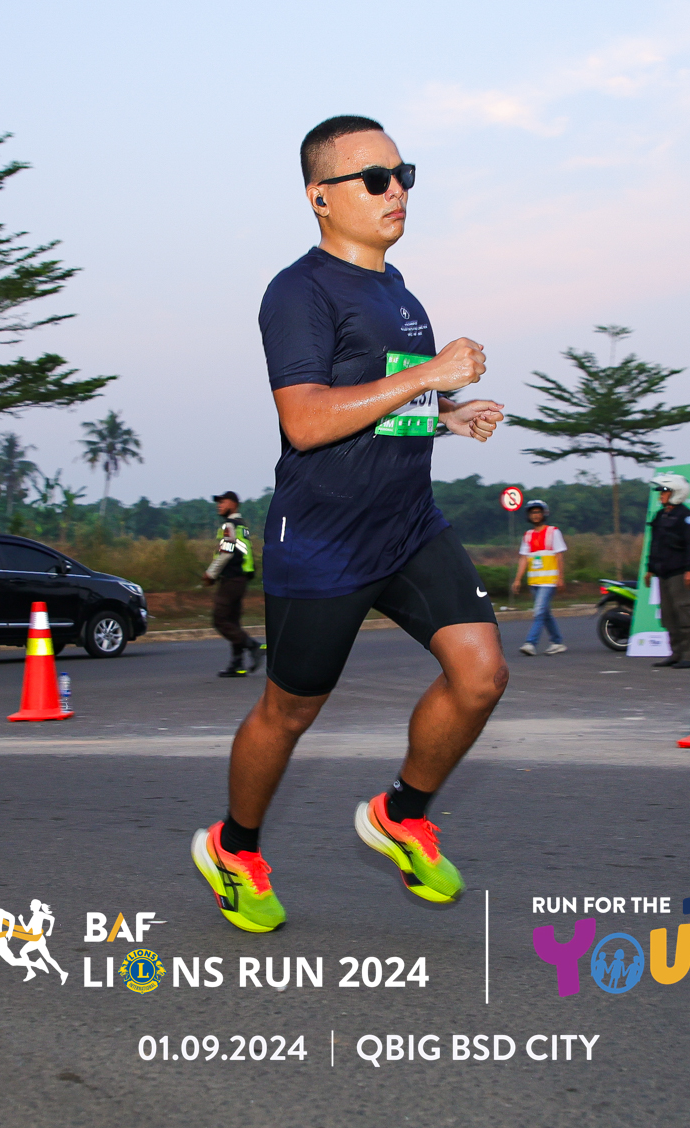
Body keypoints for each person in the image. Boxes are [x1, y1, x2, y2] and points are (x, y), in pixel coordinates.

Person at [190, 114, 508, 934]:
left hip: (408, 525)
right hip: (324, 542)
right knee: (289, 713)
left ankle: (402, 815)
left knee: (481, 675)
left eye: (404, 174)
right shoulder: (298, 292)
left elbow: (385, 410)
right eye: (374, 178)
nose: (395, 190)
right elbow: (306, 421)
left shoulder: (400, 294)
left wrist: (447, 416)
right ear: (321, 197)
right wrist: (433, 374)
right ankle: (235, 848)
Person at [202, 491, 264, 678]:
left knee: (220, 620)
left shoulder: (229, 525)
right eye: (218, 503)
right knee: (233, 621)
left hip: (231, 579)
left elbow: (226, 553)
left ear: (234, 504)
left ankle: (253, 646)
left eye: (223, 502)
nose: (219, 505)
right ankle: (237, 665)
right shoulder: (241, 525)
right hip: (241, 579)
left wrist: (211, 574)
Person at [646, 473, 690, 668]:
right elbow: (655, 544)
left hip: (679, 572)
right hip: (663, 572)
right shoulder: (661, 515)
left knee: (683, 612)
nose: (660, 495)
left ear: (677, 493)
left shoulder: (686, 517)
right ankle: (676, 653)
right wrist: (650, 569)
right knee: (668, 615)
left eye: (664, 491)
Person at [508, 500, 568, 656]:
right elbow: (524, 558)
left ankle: (530, 643)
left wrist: (561, 578)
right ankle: (557, 642)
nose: (535, 515)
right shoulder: (527, 535)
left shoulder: (553, 532)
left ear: (544, 514)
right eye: (532, 512)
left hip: (549, 581)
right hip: (534, 581)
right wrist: (517, 579)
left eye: (538, 512)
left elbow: (559, 556)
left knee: (539, 611)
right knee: (545, 613)